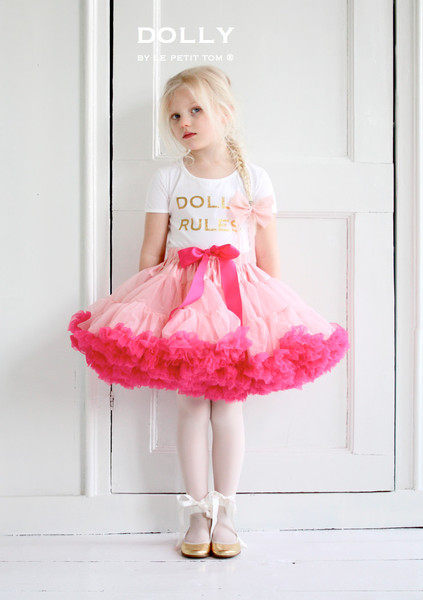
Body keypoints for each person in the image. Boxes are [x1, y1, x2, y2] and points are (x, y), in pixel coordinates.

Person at [67, 66, 350, 559]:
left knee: (229, 406)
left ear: (225, 112)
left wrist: (271, 320)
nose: (184, 122)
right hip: (182, 300)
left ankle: (228, 511)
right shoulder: (168, 177)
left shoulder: (253, 178)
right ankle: (197, 512)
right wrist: (150, 310)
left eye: (195, 110)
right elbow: (151, 251)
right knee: (192, 406)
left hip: (239, 300)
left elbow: (268, 258)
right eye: (175, 116)